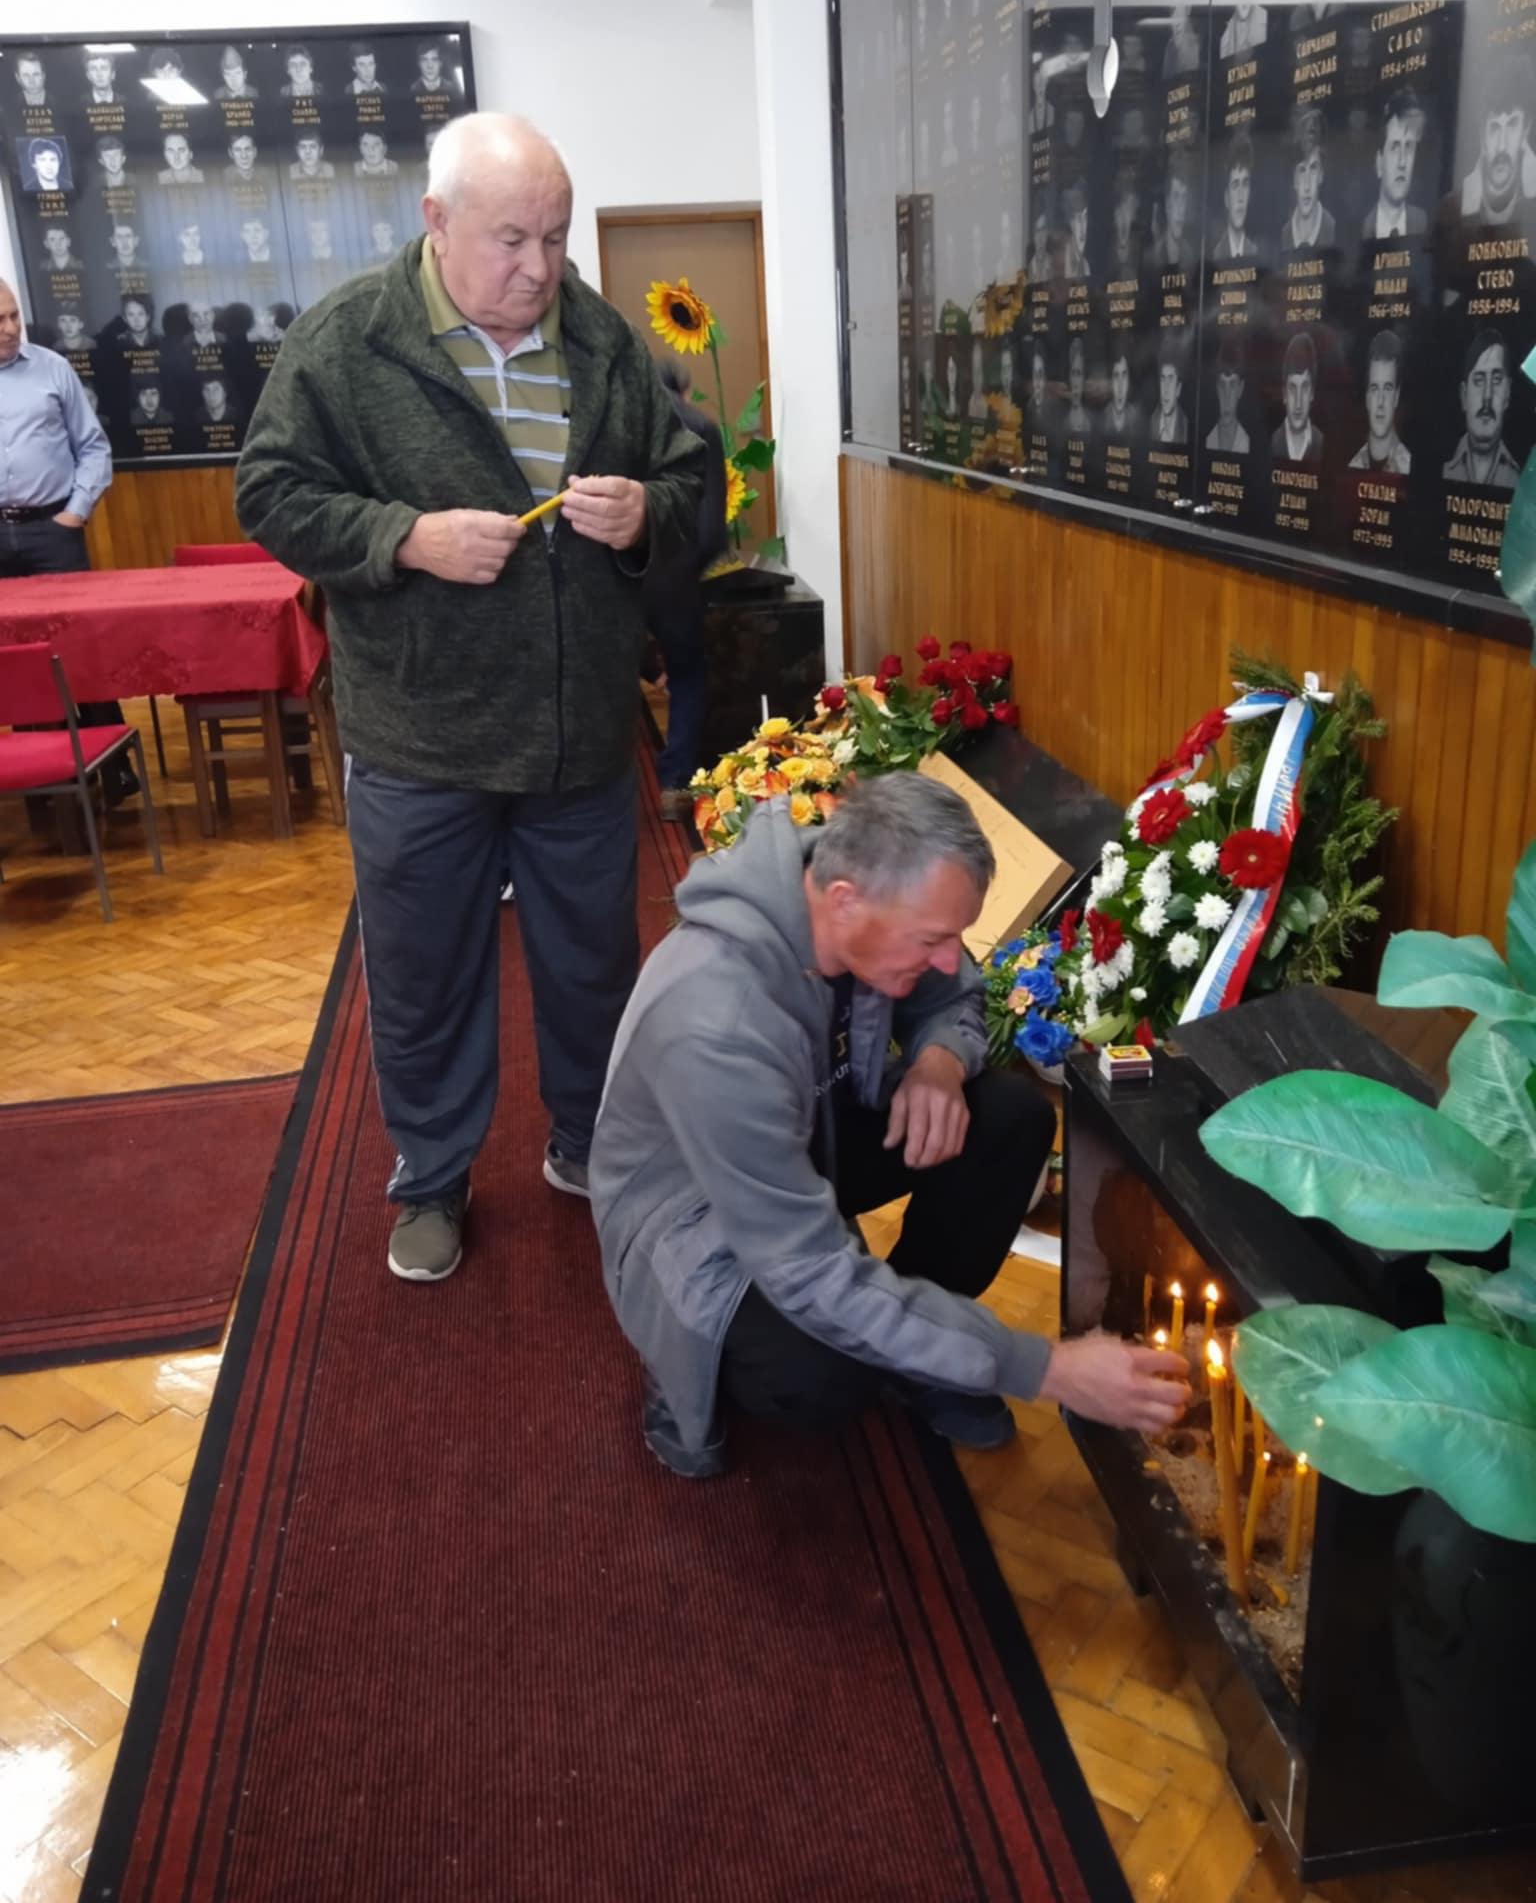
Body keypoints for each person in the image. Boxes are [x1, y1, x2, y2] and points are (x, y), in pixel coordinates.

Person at [234, 112, 704, 1281]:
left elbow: (691, 478)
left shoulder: (601, 339)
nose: (540, 268)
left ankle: (589, 1140)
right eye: (511, 239)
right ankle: (432, 1177)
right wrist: (404, 537)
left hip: (577, 736)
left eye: (556, 236)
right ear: (436, 221)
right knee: (425, 974)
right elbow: (270, 492)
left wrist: (646, 513)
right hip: (421, 740)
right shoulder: (348, 339)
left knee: (593, 966)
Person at [588, 775, 1192, 1479]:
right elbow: (806, 1269)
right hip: (696, 1219)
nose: (949, 959)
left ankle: (919, 1347)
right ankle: (683, 1364)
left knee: (1009, 1118)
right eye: (934, 940)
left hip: (811, 1143)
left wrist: (939, 1064)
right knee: (824, 1372)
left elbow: (957, 994)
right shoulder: (717, 1021)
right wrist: (1047, 1368)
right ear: (845, 902)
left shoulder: (863, 895)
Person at [0, 278, 135, 799]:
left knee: (80, 647)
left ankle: (115, 767)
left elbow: (93, 447)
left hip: (52, 529)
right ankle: (42, 776)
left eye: (14, 315)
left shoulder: (52, 369)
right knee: (14, 656)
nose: (10, 328)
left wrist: (75, 514)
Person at [649, 356, 728, 822]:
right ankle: (675, 784)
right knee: (687, 674)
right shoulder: (701, 426)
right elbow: (711, 529)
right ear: (683, 389)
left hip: (613, 575)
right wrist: (687, 573)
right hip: (675, 577)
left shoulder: (615, 421)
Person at [1460, 52, 1536, 228]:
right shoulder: (1453, 206)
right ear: (1482, 134)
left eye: (1512, 125)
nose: (1502, 146)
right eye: (1494, 127)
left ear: (1526, 130)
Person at [1442, 327, 1519, 488]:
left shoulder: (1522, 478)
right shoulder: (1439, 468)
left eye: (1496, 380)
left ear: (1508, 393)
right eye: (1479, 380)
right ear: (1464, 395)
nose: (1487, 396)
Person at [1362, 89, 1426, 240]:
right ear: (1379, 163)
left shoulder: (1424, 224)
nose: (1402, 162)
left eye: (1408, 147)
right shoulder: (1361, 228)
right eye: (1395, 147)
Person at [1348, 330, 1412, 473]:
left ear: (1396, 396)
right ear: (1367, 397)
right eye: (1375, 388)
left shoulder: (1409, 468)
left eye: (1387, 388)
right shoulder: (1352, 467)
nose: (1381, 402)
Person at [1281, 109, 1336, 251]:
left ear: (1321, 174)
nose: (1307, 186)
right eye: (1301, 170)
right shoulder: (1284, 233)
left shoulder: (1334, 229)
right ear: (1294, 179)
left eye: (1313, 168)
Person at [1272, 330, 1324, 464]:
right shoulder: (1270, 443)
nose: (1298, 403)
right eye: (1292, 388)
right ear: (1284, 394)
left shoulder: (1323, 444)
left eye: (1305, 388)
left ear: (1312, 393)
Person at [1210, 130, 1260, 261]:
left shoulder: (1255, 252)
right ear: (1226, 198)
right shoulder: (1215, 255)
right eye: (1235, 185)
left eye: (1245, 184)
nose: (1240, 196)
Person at [1205, 338, 1251, 454]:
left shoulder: (1248, 444)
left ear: (1240, 389)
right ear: (1216, 387)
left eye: (1233, 385)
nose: (1227, 397)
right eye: (1222, 385)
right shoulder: (1206, 440)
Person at [1153, 334, 1190, 445]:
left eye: (1170, 380)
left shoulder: (1187, 425)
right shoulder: (1149, 422)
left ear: (1178, 388)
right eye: (1163, 379)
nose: (1166, 389)